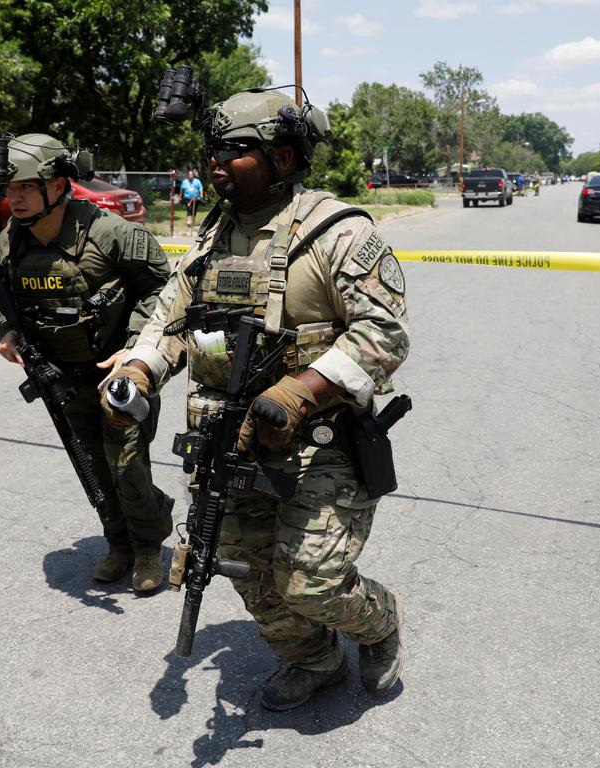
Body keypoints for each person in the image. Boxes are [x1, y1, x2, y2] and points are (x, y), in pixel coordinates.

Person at [103, 90, 411, 709]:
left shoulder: (338, 232)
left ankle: (379, 624)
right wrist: (137, 371)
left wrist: (302, 391)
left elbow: (383, 332)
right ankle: (314, 659)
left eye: (235, 151)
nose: (216, 162)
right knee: (249, 571)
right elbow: (172, 321)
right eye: (213, 150)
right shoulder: (213, 236)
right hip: (229, 442)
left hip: (323, 446)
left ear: (283, 155)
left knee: (311, 581)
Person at [0, 133, 174, 592]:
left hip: (119, 373)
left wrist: (134, 347)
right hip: (61, 378)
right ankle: (120, 543)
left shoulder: (111, 232)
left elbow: (162, 290)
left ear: (57, 184)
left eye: (26, 186)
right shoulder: (9, 245)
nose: (15, 197)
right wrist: (5, 332)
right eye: (10, 188)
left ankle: (148, 547)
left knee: (127, 462)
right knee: (90, 463)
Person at [180, 168, 205, 236]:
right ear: (188, 175)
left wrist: (201, 194)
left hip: (196, 199)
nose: (191, 175)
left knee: (194, 211)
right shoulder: (185, 181)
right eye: (189, 174)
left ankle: (193, 221)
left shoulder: (197, 181)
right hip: (187, 198)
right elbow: (181, 189)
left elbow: (200, 187)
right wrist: (180, 196)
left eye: (192, 174)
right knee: (189, 209)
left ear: (193, 175)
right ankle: (189, 221)